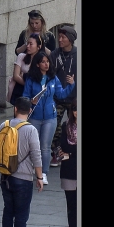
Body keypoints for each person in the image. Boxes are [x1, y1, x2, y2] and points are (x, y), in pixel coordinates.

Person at [0, 97, 44, 227]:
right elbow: (36, 156)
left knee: (8, 211)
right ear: (30, 111)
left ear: (15, 109)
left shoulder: (4, 125)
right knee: (21, 216)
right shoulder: (31, 130)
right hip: (24, 179)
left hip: (5, 176)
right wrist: (39, 177)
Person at [23, 51, 75, 184]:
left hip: (50, 117)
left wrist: (71, 85)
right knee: (33, 145)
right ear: (38, 64)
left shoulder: (53, 78)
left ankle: (44, 173)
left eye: (48, 62)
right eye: (43, 62)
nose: (46, 64)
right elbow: (25, 96)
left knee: (45, 146)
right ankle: (31, 169)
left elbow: (61, 94)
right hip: (35, 116)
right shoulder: (31, 79)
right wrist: (30, 102)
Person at [49, 25, 77, 167]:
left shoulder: (77, 55)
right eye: (59, 37)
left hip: (74, 97)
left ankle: (74, 152)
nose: (60, 40)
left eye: (63, 37)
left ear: (70, 40)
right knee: (54, 125)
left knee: (75, 125)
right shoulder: (54, 55)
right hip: (58, 97)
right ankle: (58, 153)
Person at [57, 101, 77, 227]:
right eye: (75, 109)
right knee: (71, 207)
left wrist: (70, 152)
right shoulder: (66, 126)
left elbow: (70, 149)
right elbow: (62, 144)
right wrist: (70, 152)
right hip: (68, 172)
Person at [9, 33, 43, 105]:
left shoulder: (42, 60)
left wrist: (24, 76)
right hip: (20, 90)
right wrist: (29, 85)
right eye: (27, 43)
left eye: (31, 44)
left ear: (38, 47)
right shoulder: (21, 56)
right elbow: (16, 76)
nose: (28, 46)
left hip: (35, 93)